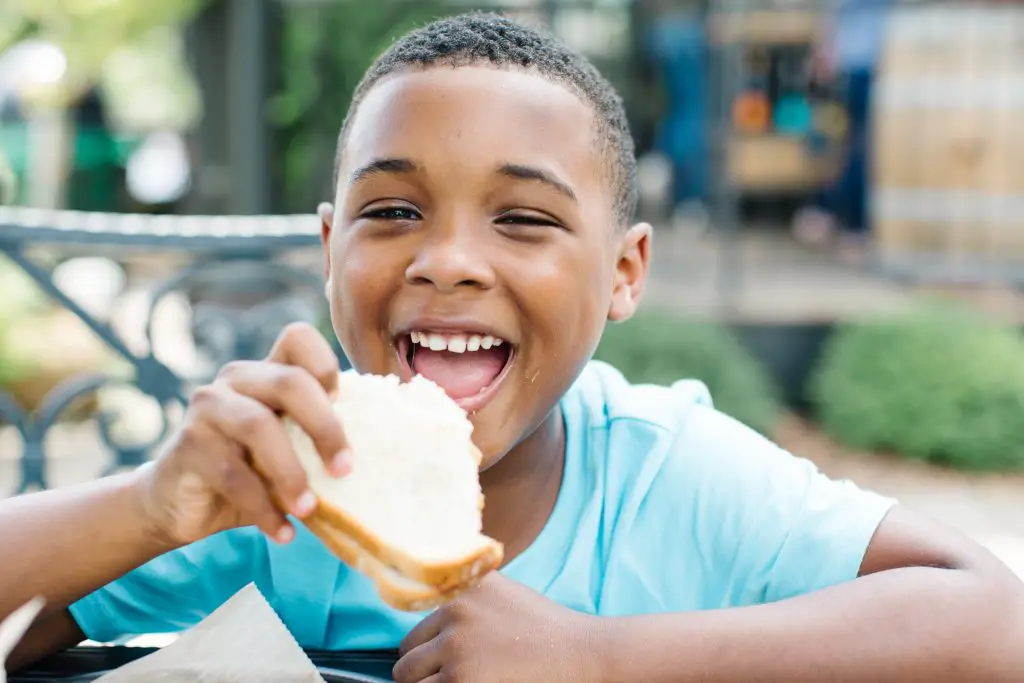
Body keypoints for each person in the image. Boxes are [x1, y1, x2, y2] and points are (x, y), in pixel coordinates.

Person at [4, 13, 1023, 683]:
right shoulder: (285, 478)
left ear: (623, 272)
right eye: (393, 209)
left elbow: (990, 620)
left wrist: (601, 659)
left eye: (524, 219)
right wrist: (143, 511)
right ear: (329, 249)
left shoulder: (666, 470)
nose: (447, 260)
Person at [793, 0, 891, 266]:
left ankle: (830, 214)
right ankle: (845, 221)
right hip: (859, 63)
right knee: (851, 145)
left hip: (867, 62)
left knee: (853, 146)